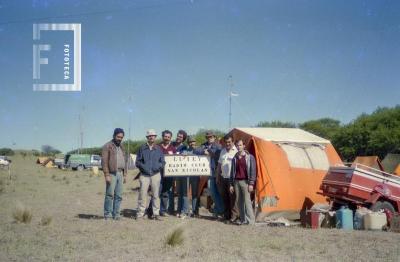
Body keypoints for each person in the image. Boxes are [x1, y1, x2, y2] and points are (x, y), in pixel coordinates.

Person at [135, 129, 165, 220]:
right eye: (149, 136)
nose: (151, 137)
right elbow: (137, 162)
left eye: (153, 136)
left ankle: (156, 213)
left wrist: (157, 167)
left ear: (155, 137)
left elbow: (163, 162)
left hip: (156, 175)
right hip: (144, 175)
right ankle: (140, 213)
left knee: (156, 195)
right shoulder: (142, 148)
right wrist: (144, 168)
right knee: (142, 194)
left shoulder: (159, 149)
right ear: (147, 137)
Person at [101, 128, 128, 220]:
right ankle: (107, 214)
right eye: (118, 136)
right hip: (111, 174)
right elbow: (104, 162)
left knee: (119, 195)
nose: (120, 139)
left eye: (121, 137)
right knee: (109, 195)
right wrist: (106, 175)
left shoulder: (122, 146)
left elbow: (125, 161)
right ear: (114, 136)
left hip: (120, 173)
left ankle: (116, 214)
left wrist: (124, 175)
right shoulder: (107, 146)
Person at [230, 139, 256, 225]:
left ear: (244, 146)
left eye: (240, 145)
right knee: (239, 201)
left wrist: (251, 183)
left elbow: (253, 171)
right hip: (236, 182)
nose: (239, 147)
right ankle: (243, 220)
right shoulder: (235, 158)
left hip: (246, 182)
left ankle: (251, 221)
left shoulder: (250, 157)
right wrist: (231, 184)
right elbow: (232, 172)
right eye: (237, 145)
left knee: (247, 201)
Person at [199, 131, 223, 218]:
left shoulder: (218, 146)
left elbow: (218, 156)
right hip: (207, 171)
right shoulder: (204, 145)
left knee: (216, 192)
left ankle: (220, 210)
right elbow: (197, 150)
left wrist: (209, 152)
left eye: (211, 137)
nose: (209, 138)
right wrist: (203, 151)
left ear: (214, 137)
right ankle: (219, 209)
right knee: (212, 192)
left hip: (216, 171)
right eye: (208, 137)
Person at [217, 134, 238, 221]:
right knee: (224, 197)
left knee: (232, 198)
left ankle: (234, 216)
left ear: (233, 142)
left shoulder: (236, 151)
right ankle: (227, 216)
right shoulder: (222, 151)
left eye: (229, 142)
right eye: (226, 142)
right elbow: (219, 164)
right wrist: (217, 176)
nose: (228, 144)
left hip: (231, 179)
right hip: (223, 178)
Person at [182, 136, 203, 217]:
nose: (192, 143)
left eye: (193, 141)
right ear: (188, 143)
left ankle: (195, 211)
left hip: (195, 175)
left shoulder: (199, 150)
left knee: (195, 194)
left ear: (195, 142)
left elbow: (205, 155)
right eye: (190, 142)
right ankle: (185, 211)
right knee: (185, 194)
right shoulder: (185, 151)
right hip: (186, 175)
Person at [158, 130, 177, 216]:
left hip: (169, 175)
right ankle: (151, 210)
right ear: (162, 137)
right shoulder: (157, 147)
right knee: (156, 192)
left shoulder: (173, 148)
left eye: (168, 137)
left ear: (170, 138)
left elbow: (176, 161)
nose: (167, 138)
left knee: (165, 193)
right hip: (158, 174)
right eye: (165, 136)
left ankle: (162, 210)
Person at [173, 130, 190, 218]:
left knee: (184, 193)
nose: (179, 138)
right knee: (179, 192)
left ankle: (185, 211)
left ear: (183, 138)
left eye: (181, 137)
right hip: (176, 172)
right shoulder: (173, 145)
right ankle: (178, 210)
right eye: (178, 136)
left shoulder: (185, 147)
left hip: (184, 173)